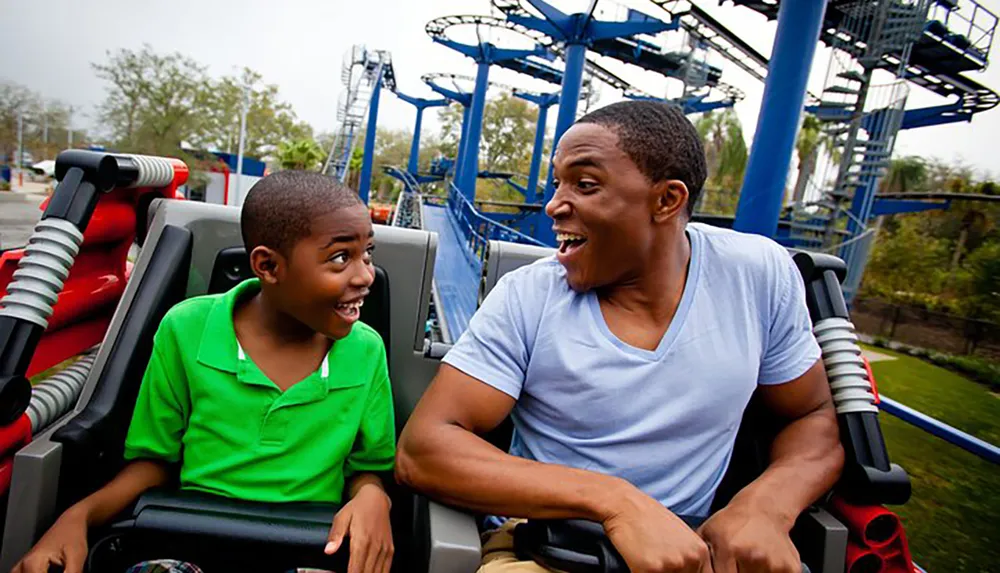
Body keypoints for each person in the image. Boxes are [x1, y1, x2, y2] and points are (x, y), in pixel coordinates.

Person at [396, 100, 845, 573]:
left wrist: (766, 508)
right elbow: (424, 449)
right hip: (552, 547)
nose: (553, 204)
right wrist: (613, 500)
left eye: (584, 185)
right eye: (557, 184)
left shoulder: (757, 274)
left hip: (693, 551)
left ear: (667, 201)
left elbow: (813, 415)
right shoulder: (529, 296)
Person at [13, 171, 396, 573]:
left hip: (310, 546)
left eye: (367, 254)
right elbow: (154, 461)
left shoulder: (365, 350)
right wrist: (77, 517)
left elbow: (368, 466)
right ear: (268, 265)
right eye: (341, 258)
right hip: (191, 541)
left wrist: (373, 496)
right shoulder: (186, 329)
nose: (364, 275)